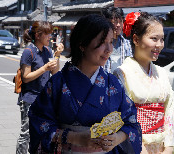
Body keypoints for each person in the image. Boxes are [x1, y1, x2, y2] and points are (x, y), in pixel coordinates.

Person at [28, 14, 142, 154]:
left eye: (111, 42)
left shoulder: (113, 84)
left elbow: (131, 122)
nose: (109, 49)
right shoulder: (58, 83)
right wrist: (74, 137)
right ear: (82, 44)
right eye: (102, 42)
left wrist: (117, 138)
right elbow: (38, 121)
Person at [114, 12, 174, 154]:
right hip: (136, 147)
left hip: (162, 147)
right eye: (154, 39)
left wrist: (168, 148)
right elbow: (121, 120)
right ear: (136, 40)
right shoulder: (122, 74)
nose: (159, 45)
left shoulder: (162, 73)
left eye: (162, 39)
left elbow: (169, 113)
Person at [16, 21, 64, 154]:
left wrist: (57, 55)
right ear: (38, 35)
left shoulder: (48, 50)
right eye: (48, 34)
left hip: (44, 99)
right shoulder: (28, 52)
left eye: (51, 33)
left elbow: (55, 73)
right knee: (26, 133)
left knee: (42, 131)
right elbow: (26, 77)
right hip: (29, 98)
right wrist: (44, 68)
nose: (50, 37)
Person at [102, 7, 132, 73]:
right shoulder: (100, 43)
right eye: (115, 22)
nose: (118, 25)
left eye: (120, 21)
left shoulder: (128, 44)